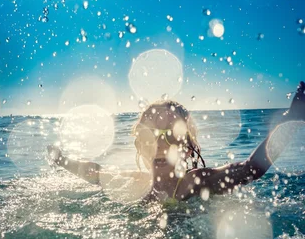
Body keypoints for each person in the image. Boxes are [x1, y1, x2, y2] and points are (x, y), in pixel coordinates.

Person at [48, 82, 305, 204]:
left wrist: (290, 122)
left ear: (187, 144)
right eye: (150, 135)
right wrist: (63, 160)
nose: (161, 144)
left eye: (171, 135)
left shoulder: (195, 181)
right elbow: (96, 173)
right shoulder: (134, 181)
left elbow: (252, 168)